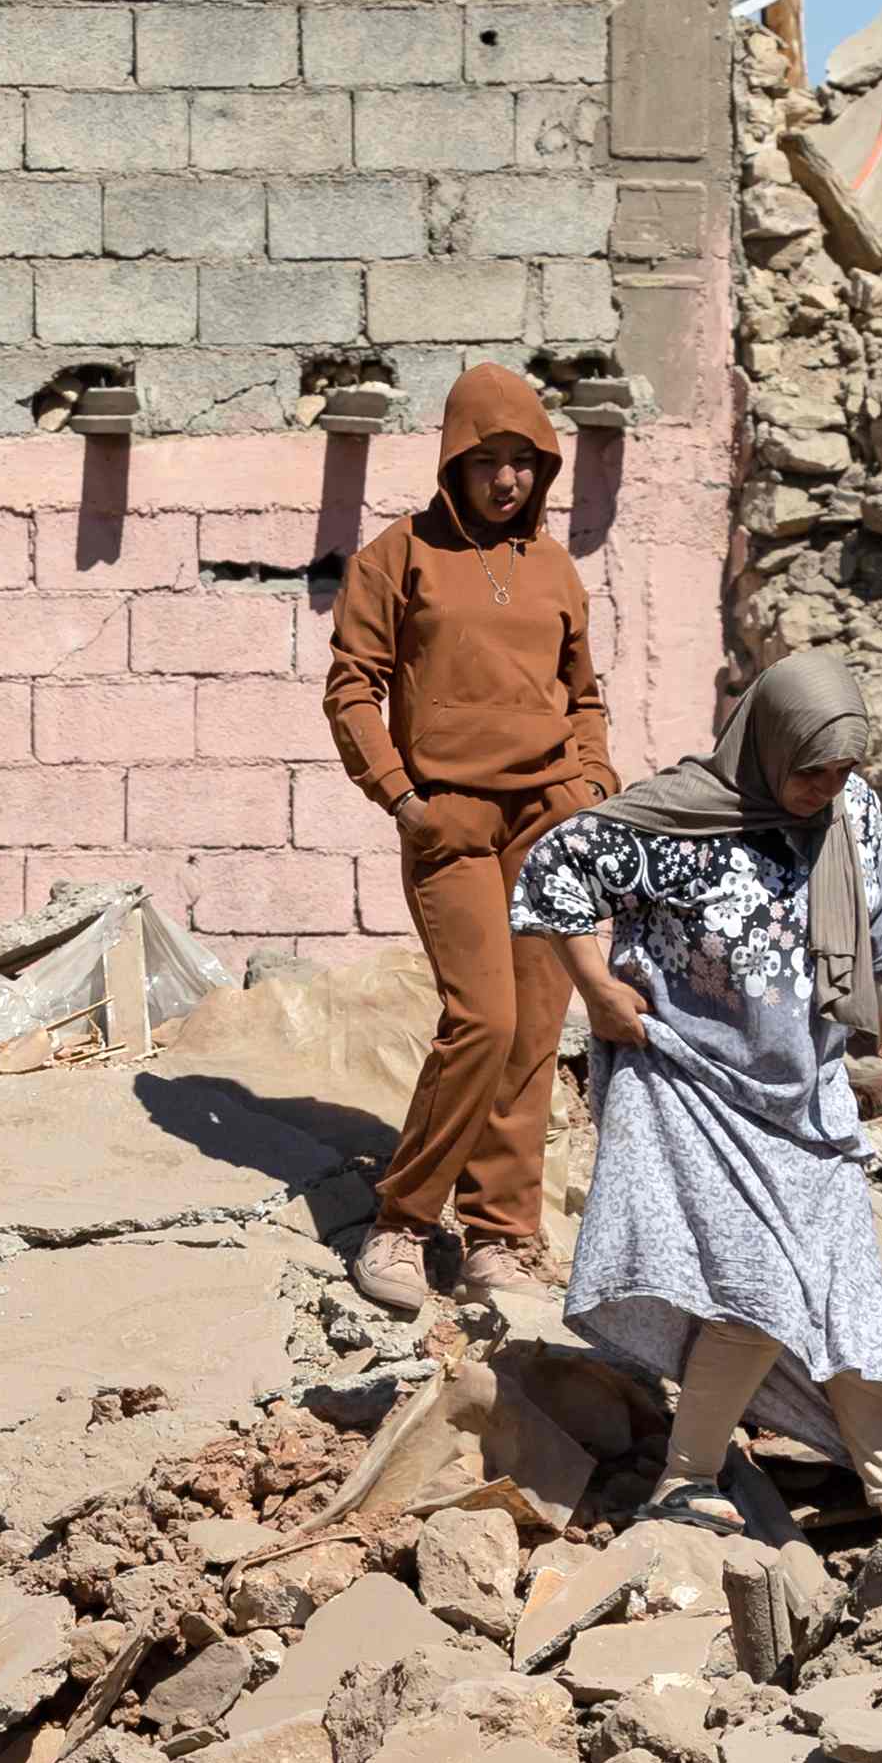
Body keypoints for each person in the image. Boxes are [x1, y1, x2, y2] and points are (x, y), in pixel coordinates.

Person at [515, 653, 882, 1536]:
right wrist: (597, 989)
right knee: (759, 1292)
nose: (827, 788)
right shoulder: (678, 825)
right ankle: (690, 1478)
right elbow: (554, 869)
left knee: (849, 1302)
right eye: (811, 770)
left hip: (807, 1099)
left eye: (843, 770)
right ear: (768, 744)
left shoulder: (849, 810)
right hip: (697, 1087)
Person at [321, 366, 619, 1330]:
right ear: (454, 460)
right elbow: (351, 689)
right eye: (487, 460)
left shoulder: (555, 566)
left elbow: (583, 695)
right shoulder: (397, 556)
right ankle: (403, 1221)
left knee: (534, 1030)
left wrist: (592, 787)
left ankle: (498, 1234)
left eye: (524, 462)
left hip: (547, 820)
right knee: (482, 1019)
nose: (506, 480)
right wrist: (403, 798)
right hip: (450, 818)